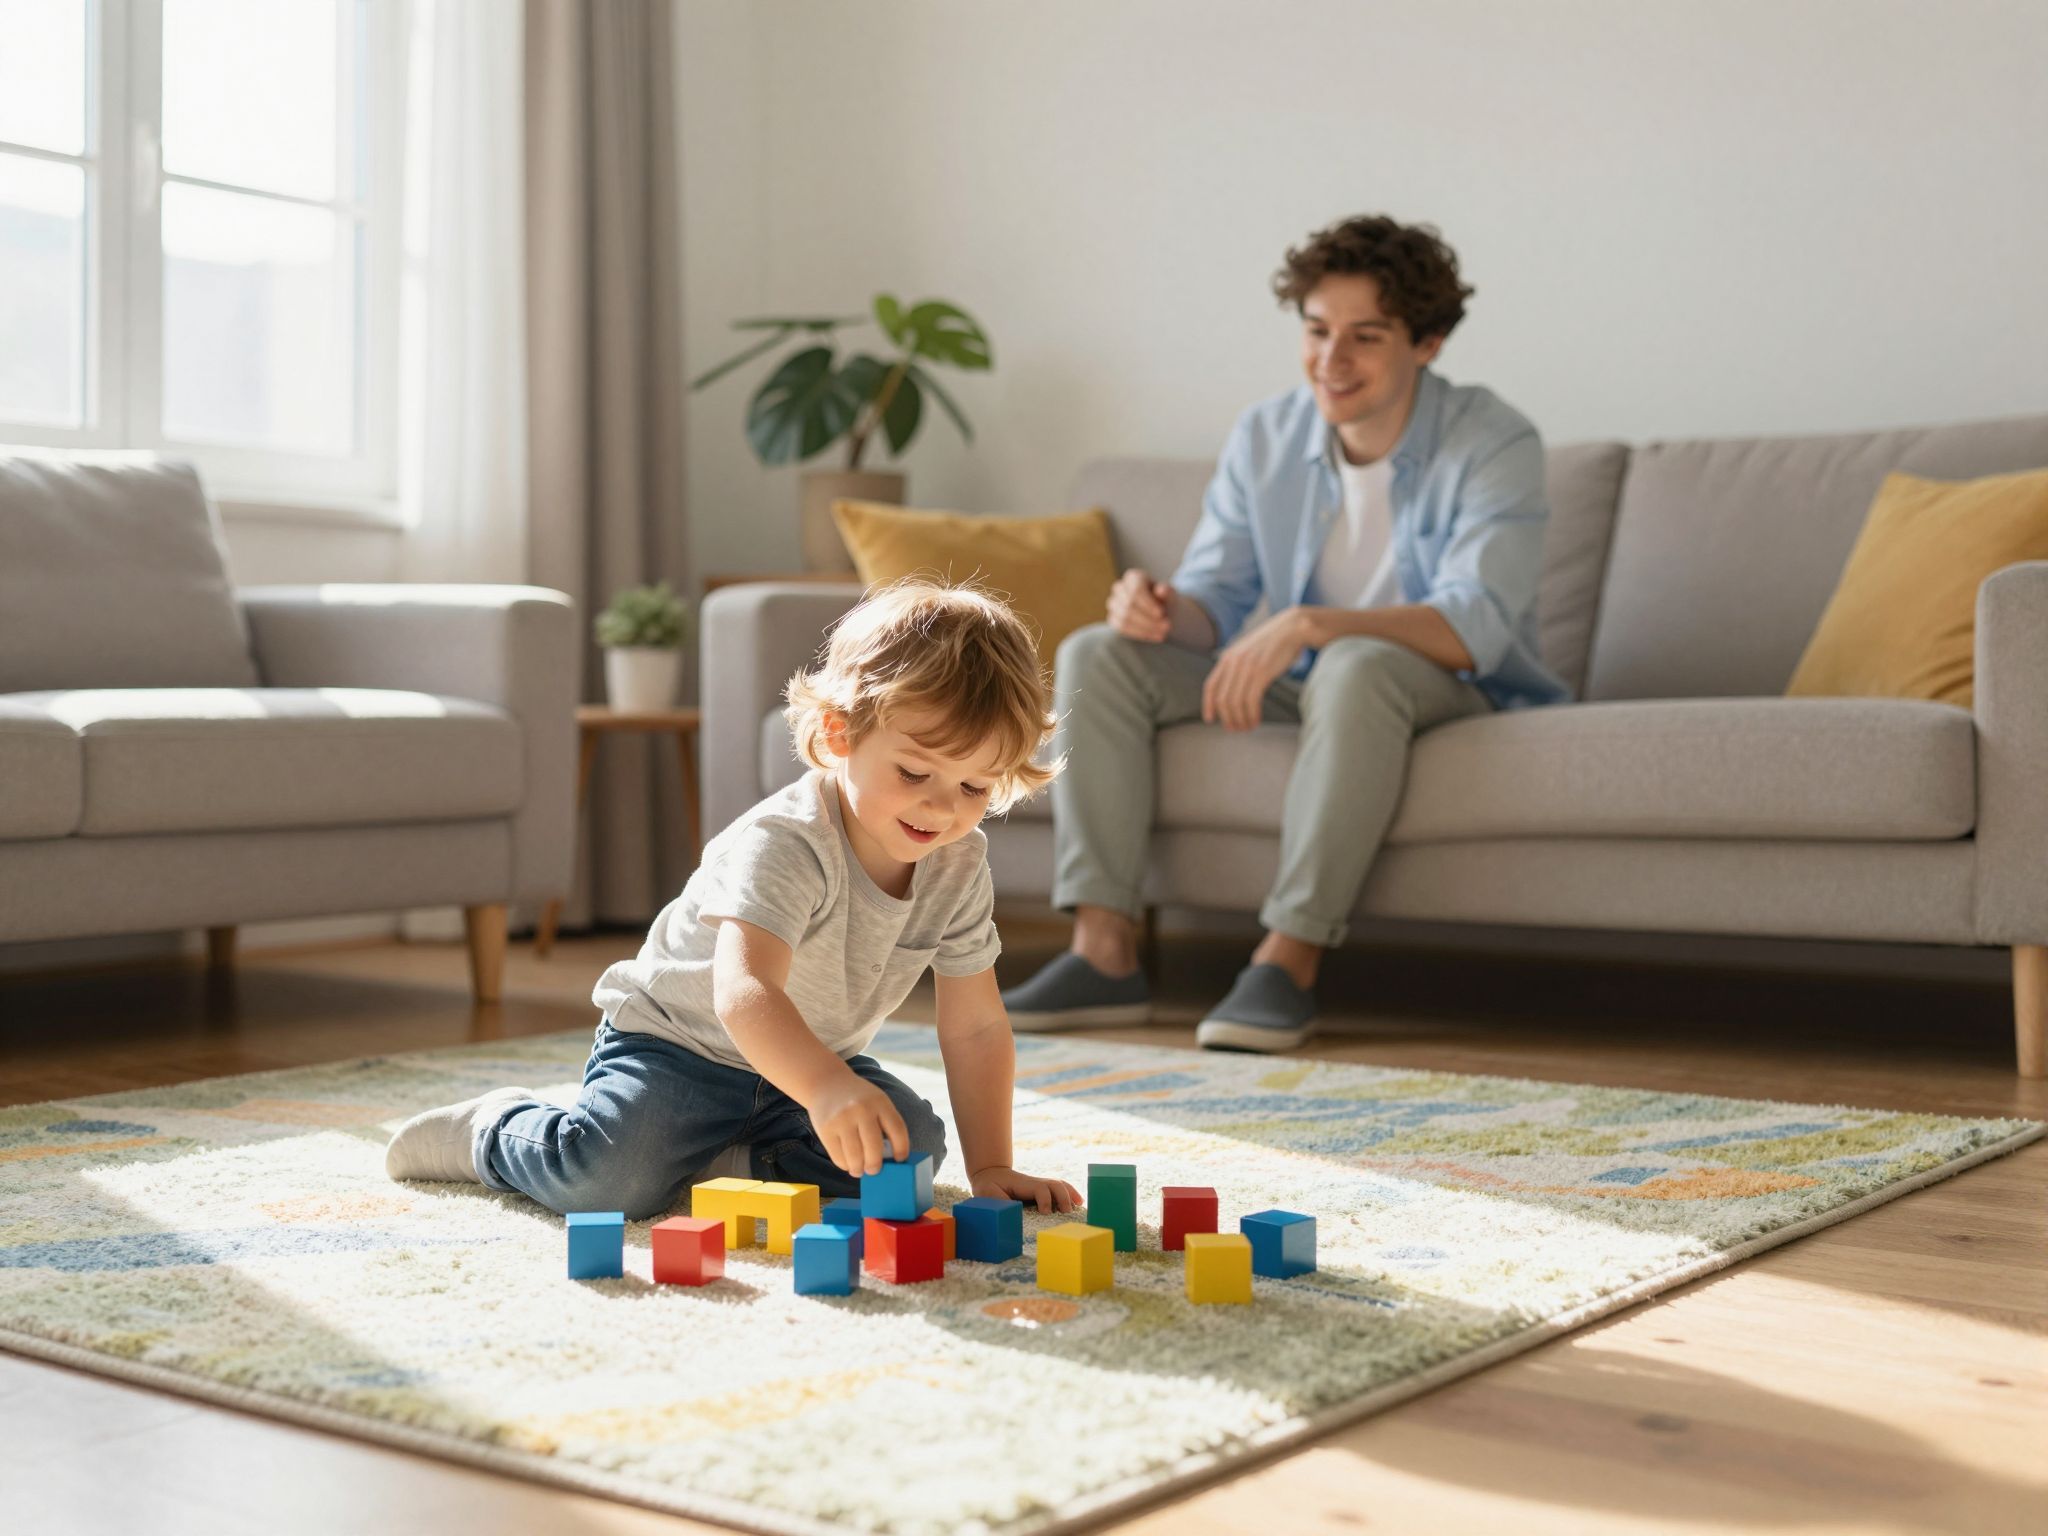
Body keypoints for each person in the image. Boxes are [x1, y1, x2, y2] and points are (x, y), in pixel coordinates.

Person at [1000, 214, 1569, 1054]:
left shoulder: (1495, 442)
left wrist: (1310, 624)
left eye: (1365, 336)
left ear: (1428, 343)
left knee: (1357, 663)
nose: (1331, 360)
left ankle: (1288, 958)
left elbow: (1474, 624)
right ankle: (1104, 951)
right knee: (1098, 653)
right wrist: (1156, 608)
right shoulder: (1267, 435)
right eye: (1316, 330)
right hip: (1317, 679)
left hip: (1450, 685)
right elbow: (1215, 600)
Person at [385, 578, 1081, 1220]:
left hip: (802, 1069)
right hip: (677, 1051)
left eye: (973, 788)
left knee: (913, 1155)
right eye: (915, 772)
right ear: (841, 734)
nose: (942, 807)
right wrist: (828, 1090)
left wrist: (992, 1164)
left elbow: (977, 1027)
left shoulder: (957, 865)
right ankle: (498, 1129)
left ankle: (718, 1160)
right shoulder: (787, 842)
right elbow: (744, 992)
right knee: (604, 1183)